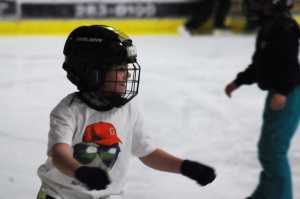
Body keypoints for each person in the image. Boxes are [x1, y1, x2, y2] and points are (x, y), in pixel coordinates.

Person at [36, 25, 216, 199]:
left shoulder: (129, 107)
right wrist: (79, 171)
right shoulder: (68, 111)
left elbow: (147, 152)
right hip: (60, 195)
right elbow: (60, 154)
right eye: (120, 69)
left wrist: (185, 167)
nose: (127, 76)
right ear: (91, 72)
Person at [224, 0, 300, 199]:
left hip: (288, 93)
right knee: (267, 148)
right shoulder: (270, 27)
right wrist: (238, 81)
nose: (253, 6)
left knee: (275, 150)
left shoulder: (284, 27)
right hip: (279, 92)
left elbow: (290, 64)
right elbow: (261, 64)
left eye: (260, 2)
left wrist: (282, 92)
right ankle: (266, 194)